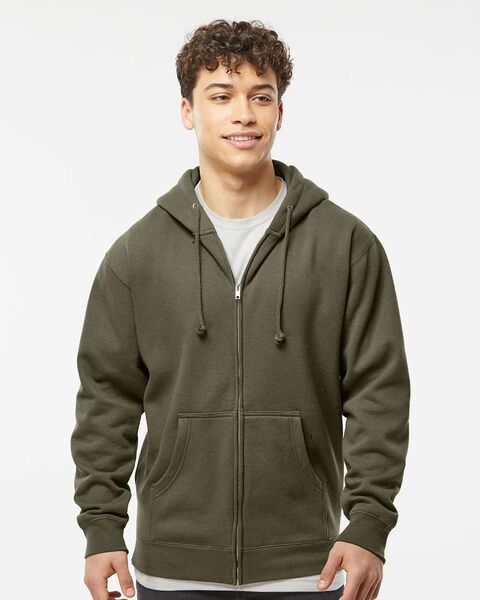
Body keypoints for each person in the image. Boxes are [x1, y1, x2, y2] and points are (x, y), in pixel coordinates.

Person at [70, 18, 410, 600]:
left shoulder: (346, 246)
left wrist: (370, 524)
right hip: (172, 565)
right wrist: (102, 527)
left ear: (280, 112)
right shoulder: (136, 255)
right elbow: (107, 397)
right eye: (221, 96)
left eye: (261, 96)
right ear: (188, 111)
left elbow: (379, 391)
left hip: (310, 565)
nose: (244, 115)